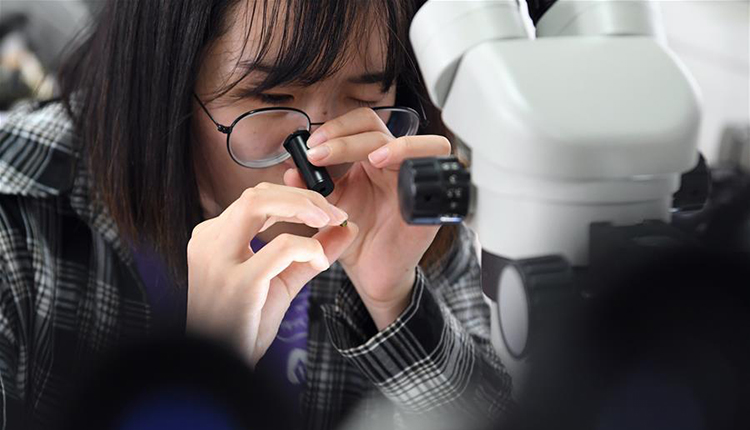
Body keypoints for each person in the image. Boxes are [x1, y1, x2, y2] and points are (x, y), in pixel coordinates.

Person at [0, 0, 512, 428]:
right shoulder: (18, 217)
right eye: (271, 98)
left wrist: (393, 300)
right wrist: (205, 369)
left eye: (364, 96)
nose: (319, 157)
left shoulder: (397, 190)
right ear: (164, 81)